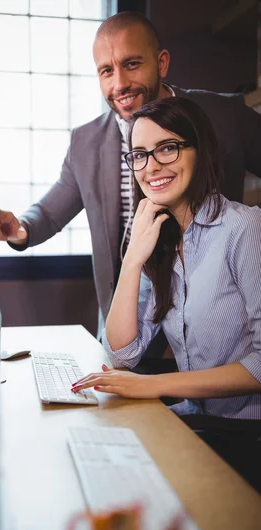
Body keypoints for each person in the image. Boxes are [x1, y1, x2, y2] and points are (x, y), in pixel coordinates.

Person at [0, 11, 261, 337]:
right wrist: (19, 228)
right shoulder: (85, 142)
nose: (119, 84)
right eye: (106, 71)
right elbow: (48, 212)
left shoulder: (224, 116)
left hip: (216, 328)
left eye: (131, 64)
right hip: (127, 322)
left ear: (161, 63)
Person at [71, 96, 261, 491]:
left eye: (168, 148)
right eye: (139, 154)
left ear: (200, 149)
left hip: (245, 437)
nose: (152, 165)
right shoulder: (157, 236)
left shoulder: (245, 229)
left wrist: (154, 386)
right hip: (199, 420)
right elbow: (123, 351)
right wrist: (133, 259)